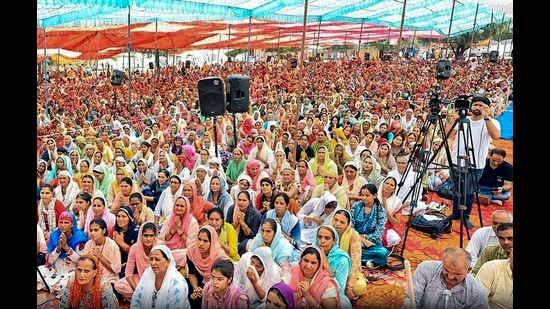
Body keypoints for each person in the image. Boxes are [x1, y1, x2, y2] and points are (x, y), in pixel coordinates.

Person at [445, 94, 501, 228]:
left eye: (482, 105)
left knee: (469, 192)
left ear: (487, 108)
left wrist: (486, 117)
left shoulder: (491, 122)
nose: (478, 107)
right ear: (471, 106)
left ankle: (466, 216)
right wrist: (454, 120)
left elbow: (496, 136)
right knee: (456, 189)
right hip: (456, 161)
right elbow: (447, 135)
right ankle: (455, 213)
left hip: (476, 164)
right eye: (476, 104)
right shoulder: (463, 120)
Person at [401, 247, 489, 309]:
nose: (450, 277)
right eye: (446, 270)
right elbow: (412, 298)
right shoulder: (426, 269)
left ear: (468, 270)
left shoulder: (477, 294)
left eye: (457, 274)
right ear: (442, 262)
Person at [38, 212, 89, 294]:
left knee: (67, 284)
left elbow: (81, 261)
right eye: (61, 222)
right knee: (38, 273)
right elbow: (49, 261)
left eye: (66, 222)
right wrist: (58, 249)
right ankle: (53, 287)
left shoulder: (79, 237)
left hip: (71, 269)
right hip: (55, 268)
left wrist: (66, 248)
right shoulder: (54, 235)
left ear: (72, 224)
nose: (63, 225)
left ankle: (53, 288)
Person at [130, 244, 191, 309]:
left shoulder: (177, 283)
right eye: (151, 259)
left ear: (168, 261)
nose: (153, 263)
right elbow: (137, 298)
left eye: (157, 259)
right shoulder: (148, 273)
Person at [114, 222, 162, 302]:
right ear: (140, 235)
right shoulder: (135, 248)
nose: (148, 239)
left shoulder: (160, 247)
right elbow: (128, 272)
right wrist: (136, 290)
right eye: (145, 235)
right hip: (141, 279)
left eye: (151, 235)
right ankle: (145, 299)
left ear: (155, 236)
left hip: (158, 281)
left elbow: (165, 270)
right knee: (119, 285)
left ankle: (144, 300)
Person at [186, 225, 230, 309]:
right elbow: (192, 273)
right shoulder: (191, 251)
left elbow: (222, 280)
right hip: (197, 284)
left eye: (205, 241)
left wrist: (206, 290)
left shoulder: (219, 256)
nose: (201, 244)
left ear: (212, 242)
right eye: (199, 239)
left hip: (215, 285)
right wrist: (196, 288)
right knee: (189, 297)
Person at [330, 209, 367, 301]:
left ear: (348, 224)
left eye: (342, 222)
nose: (337, 224)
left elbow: (355, 261)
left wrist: (349, 286)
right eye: (336, 220)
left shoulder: (353, 235)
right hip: (329, 266)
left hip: (347, 269)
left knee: (358, 287)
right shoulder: (328, 231)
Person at [350, 183, 389, 267]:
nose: (364, 198)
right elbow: (350, 226)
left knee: (383, 253)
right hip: (354, 239)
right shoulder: (356, 206)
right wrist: (360, 238)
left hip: (371, 242)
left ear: (375, 196)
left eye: (367, 195)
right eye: (362, 195)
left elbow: (377, 234)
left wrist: (365, 238)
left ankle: (356, 258)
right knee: (347, 246)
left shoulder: (381, 211)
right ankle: (368, 261)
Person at [314, 225, 353, 308]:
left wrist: (326, 264)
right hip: (312, 290)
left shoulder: (342, 259)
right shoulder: (313, 252)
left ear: (334, 241)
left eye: (327, 238)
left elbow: (339, 289)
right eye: (320, 237)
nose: (322, 241)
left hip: (334, 293)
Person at [159, 195, 199, 267]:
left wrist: (180, 231)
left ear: (187, 207)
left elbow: (192, 245)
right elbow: (161, 238)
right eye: (177, 205)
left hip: (182, 251)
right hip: (168, 248)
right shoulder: (169, 218)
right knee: (157, 245)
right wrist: (174, 230)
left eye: (182, 206)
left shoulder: (192, 222)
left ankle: (167, 260)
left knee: (188, 252)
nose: (179, 208)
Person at [83, 218, 122, 284]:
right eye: (91, 230)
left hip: (109, 279)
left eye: (96, 230)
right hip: (91, 278)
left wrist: (100, 257)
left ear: (104, 231)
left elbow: (116, 270)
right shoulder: (88, 244)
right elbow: (84, 264)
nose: (92, 233)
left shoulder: (112, 246)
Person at [226, 190, 263, 256]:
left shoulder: (255, 214)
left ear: (249, 201)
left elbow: (253, 236)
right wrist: (236, 223)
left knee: (245, 244)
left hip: (247, 242)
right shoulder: (232, 209)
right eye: (239, 200)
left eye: (244, 200)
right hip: (232, 238)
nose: (241, 202)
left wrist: (243, 223)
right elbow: (226, 229)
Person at [109, 206, 139, 278]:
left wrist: (122, 243)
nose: (120, 219)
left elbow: (137, 253)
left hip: (131, 264)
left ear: (130, 218)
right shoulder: (115, 229)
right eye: (118, 216)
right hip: (115, 260)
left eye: (124, 216)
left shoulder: (136, 232)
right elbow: (108, 245)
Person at [378, 176, 404, 248]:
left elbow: (396, 223)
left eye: (391, 185)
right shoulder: (374, 196)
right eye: (387, 183)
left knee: (395, 238)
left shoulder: (396, 202)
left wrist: (386, 209)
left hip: (384, 226)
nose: (388, 186)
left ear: (394, 189)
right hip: (369, 223)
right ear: (383, 184)